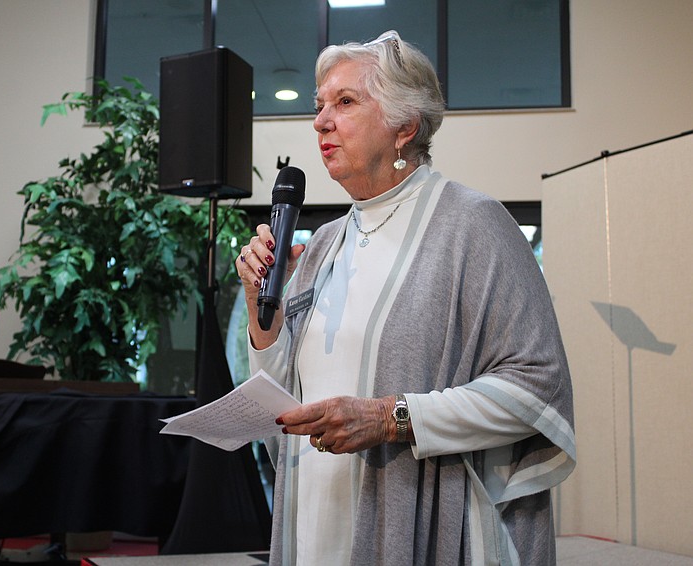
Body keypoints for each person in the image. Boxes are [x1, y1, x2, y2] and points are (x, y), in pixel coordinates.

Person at [235, 30, 576, 565]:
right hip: (314, 510)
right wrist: (263, 314)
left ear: (405, 126)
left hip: (414, 507)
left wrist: (390, 417)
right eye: (319, 105)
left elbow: (538, 384)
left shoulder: (472, 225)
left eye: (344, 102)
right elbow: (283, 393)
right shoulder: (323, 243)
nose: (321, 121)